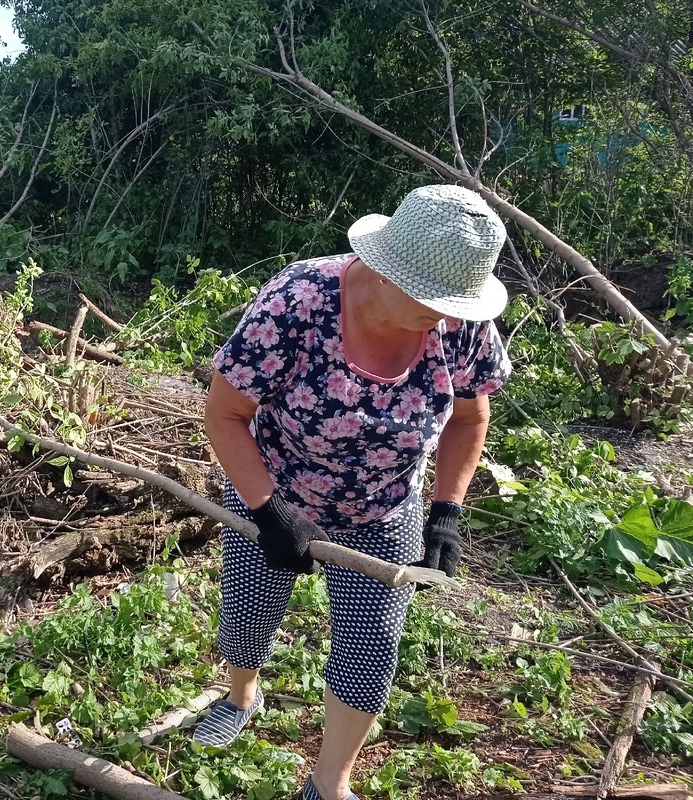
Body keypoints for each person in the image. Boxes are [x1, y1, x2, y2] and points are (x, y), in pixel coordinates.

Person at [193, 184, 513, 800]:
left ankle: (329, 782)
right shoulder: (300, 301)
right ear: (385, 272)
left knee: (370, 647)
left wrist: (446, 510)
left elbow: (471, 420)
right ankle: (241, 694)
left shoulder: (463, 326)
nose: (446, 319)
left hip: (386, 508)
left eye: (457, 306)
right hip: (277, 490)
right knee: (250, 609)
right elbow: (225, 414)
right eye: (433, 303)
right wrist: (268, 509)